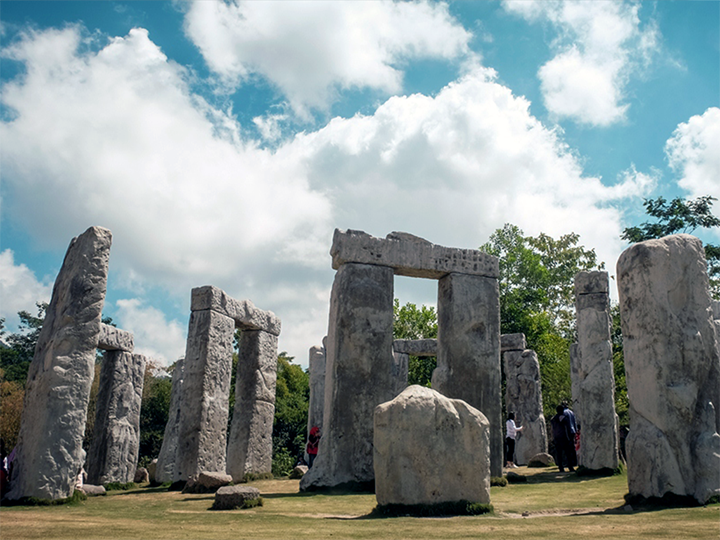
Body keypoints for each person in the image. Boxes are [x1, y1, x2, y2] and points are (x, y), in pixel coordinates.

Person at [551, 405, 576, 472]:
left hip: (556, 438)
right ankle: (570, 467)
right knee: (568, 453)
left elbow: (553, 429)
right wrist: (570, 438)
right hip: (564, 438)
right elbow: (567, 428)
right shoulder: (564, 418)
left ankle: (561, 468)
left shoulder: (553, 419)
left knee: (559, 454)